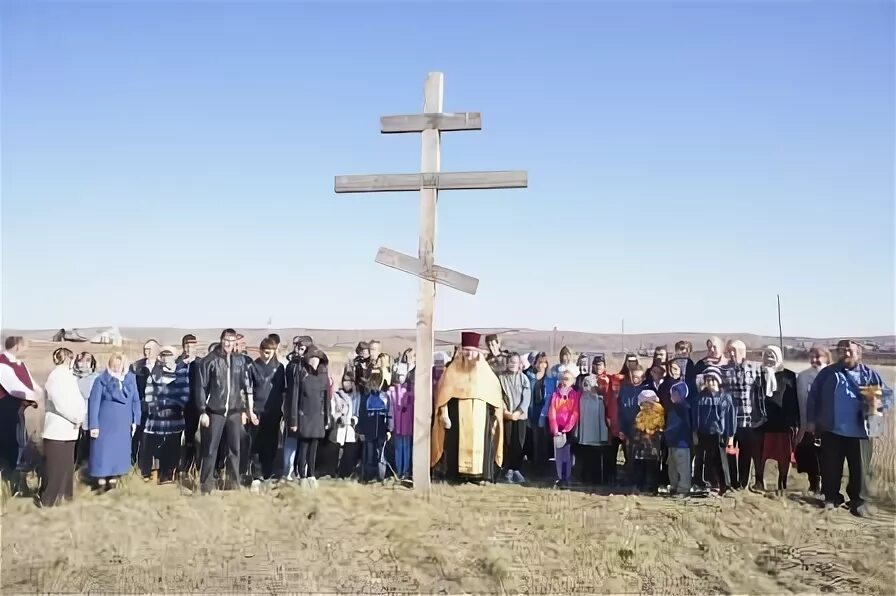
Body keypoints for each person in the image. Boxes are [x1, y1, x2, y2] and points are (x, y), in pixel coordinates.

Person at [807, 340, 892, 516]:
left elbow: (889, 395)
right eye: (842, 351)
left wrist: (878, 402)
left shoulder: (870, 375)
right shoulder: (828, 374)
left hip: (861, 432)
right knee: (830, 467)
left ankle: (858, 501)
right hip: (831, 430)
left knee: (860, 471)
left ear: (859, 354)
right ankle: (831, 498)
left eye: (849, 351)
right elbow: (813, 397)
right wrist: (811, 421)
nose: (845, 354)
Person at [431, 332, 505, 483]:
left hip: (481, 414)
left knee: (482, 443)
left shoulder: (485, 370)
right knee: (455, 443)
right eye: (466, 350)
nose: (469, 354)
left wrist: (495, 413)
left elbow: (494, 392)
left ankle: (480, 475)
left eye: (473, 351)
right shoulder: (452, 369)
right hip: (457, 414)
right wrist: (444, 413)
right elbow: (443, 392)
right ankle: (457, 475)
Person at [197, 329, 251, 494]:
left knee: (235, 449)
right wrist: (202, 411)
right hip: (215, 411)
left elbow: (245, 386)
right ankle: (206, 485)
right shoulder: (209, 361)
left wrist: (245, 410)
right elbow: (201, 387)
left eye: (232, 340)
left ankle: (233, 483)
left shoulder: (240, 361)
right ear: (221, 340)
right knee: (211, 448)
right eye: (226, 340)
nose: (229, 343)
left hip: (235, 411)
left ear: (236, 342)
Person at [88, 353, 141, 492]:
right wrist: (93, 425)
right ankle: (100, 483)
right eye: (115, 365)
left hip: (123, 425)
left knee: (118, 452)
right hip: (105, 425)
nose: (118, 368)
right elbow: (93, 404)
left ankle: (113, 481)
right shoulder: (100, 380)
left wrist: (136, 420)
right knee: (103, 452)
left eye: (120, 365)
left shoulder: (130, 380)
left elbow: (136, 400)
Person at [752, 345, 799, 493]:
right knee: (760, 455)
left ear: (778, 357)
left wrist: (795, 422)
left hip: (782, 422)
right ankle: (759, 481)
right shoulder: (757, 374)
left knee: (783, 457)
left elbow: (793, 400)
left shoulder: (788, 375)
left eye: (772, 355)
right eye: (766, 355)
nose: (769, 358)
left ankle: (782, 483)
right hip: (761, 422)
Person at [41, 348, 84, 507]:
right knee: (55, 468)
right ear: (67, 359)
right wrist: (75, 417)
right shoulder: (55, 377)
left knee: (66, 466)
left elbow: (77, 399)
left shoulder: (70, 376)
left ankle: (65, 497)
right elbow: (60, 403)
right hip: (57, 429)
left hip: (71, 429)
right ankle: (48, 501)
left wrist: (80, 416)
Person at [140, 346, 187, 484]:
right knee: (152, 446)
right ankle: (150, 474)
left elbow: (184, 393)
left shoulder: (180, 372)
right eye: (164, 355)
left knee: (172, 446)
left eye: (169, 355)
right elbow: (149, 392)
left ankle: (168, 474)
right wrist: (154, 406)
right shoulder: (154, 372)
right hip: (157, 418)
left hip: (174, 416)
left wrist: (175, 404)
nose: (166, 358)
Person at [0, 336, 41, 492]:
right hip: (5, 411)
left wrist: (41, 393)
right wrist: (33, 396)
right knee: (8, 444)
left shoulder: (20, 364)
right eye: (23, 346)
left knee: (19, 442)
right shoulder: (2, 364)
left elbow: (32, 384)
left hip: (18, 410)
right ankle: (8, 482)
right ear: (16, 346)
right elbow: (14, 388)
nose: (25, 349)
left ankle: (16, 479)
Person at [285, 346, 330, 487]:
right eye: (312, 358)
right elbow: (294, 397)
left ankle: (311, 474)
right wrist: (293, 420)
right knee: (303, 446)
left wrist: (327, 418)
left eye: (317, 359)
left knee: (314, 447)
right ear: (308, 359)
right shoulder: (301, 374)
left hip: (318, 416)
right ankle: (302, 475)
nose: (315, 361)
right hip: (304, 415)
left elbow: (326, 398)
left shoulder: (324, 376)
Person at [721, 339, 761, 489]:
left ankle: (743, 484)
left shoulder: (755, 368)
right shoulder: (723, 370)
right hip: (729, 419)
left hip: (748, 419)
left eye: (735, 350)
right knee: (729, 452)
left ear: (743, 352)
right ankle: (731, 481)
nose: (732, 353)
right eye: (729, 350)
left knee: (746, 453)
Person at [692, 366, 736, 497]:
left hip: (719, 434)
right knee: (701, 459)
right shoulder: (699, 398)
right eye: (707, 380)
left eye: (713, 379)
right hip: (702, 433)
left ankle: (724, 485)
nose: (710, 382)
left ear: (718, 380)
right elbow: (695, 416)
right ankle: (700, 483)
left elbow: (730, 417)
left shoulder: (725, 398)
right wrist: (694, 432)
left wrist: (731, 435)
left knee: (719, 461)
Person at [247, 338, 285, 482]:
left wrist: (283, 410)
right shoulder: (253, 366)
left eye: (270, 353)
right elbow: (248, 390)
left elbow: (283, 391)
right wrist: (250, 411)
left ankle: (268, 472)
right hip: (257, 410)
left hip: (274, 410)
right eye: (264, 352)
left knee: (272, 442)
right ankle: (256, 474)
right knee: (257, 443)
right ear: (260, 350)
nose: (267, 355)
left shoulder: (279, 368)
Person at [795, 346, 831, 494]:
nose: (814, 360)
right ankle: (813, 483)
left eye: (818, 357)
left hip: (827, 425)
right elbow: (799, 400)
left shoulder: (832, 375)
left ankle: (827, 486)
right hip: (807, 424)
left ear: (826, 358)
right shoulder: (802, 376)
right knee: (809, 454)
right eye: (812, 357)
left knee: (826, 457)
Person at [499, 353, 531, 484]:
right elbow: (499, 395)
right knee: (508, 442)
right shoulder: (501, 378)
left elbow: (526, 397)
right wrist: (506, 412)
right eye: (510, 362)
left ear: (520, 364)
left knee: (519, 443)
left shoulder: (524, 379)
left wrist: (518, 412)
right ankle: (508, 471)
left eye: (515, 362)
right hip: (507, 416)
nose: (512, 364)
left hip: (521, 416)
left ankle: (517, 469)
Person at [576, 374, 612, 485]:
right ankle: (584, 478)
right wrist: (578, 432)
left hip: (596, 436)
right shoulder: (581, 399)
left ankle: (596, 479)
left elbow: (602, 419)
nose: (587, 387)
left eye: (589, 384)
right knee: (585, 458)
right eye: (585, 385)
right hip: (584, 436)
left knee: (596, 458)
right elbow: (579, 418)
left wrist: (603, 435)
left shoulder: (599, 400)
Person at [360, 364, 392, 482]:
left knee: (381, 455)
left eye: (377, 380)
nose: (375, 383)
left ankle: (380, 477)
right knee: (369, 455)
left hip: (382, 432)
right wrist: (361, 431)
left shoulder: (385, 397)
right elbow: (362, 415)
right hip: (369, 431)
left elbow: (389, 413)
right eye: (373, 380)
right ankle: (367, 477)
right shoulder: (366, 398)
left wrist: (389, 429)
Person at [548, 370, 579, 488]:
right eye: (563, 379)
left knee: (568, 455)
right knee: (559, 455)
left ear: (572, 381)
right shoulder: (555, 395)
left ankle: (567, 476)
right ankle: (560, 476)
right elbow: (552, 412)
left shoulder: (574, 395)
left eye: (568, 379)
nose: (565, 381)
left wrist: (567, 428)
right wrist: (555, 428)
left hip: (569, 430)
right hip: (557, 430)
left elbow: (575, 412)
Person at [131, 339, 160, 465]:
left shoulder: (163, 366)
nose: (146, 352)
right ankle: (133, 462)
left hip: (157, 407)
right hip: (140, 405)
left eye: (149, 349)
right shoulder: (136, 366)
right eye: (145, 349)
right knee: (138, 435)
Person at [175, 335, 202, 477]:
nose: (190, 348)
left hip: (194, 405)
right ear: (183, 346)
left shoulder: (200, 363)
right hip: (179, 405)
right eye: (187, 345)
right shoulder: (177, 363)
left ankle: (190, 466)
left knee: (192, 437)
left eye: (193, 345)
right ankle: (175, 466)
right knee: (177, 436)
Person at [631, 389, 664, 494]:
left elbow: (659, 426)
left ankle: (652, 487)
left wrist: (648, 430)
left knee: (652, 467)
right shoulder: (639, 412)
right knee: (640, 466)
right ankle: (639, 485)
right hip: (640, 445)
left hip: (652, 444)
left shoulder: (658, 412)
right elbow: (636, 426)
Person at [616, 365, 645, 482]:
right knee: (628, 452)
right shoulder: (625, 389)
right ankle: (629, 475)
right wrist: (621, 428)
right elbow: (620, 409)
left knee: (639, 454)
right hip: (627, 426)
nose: (635, 379)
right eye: (633, 376)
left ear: (643, 377)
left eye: (638, 377)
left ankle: (638, 477)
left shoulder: (645, 391)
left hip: (640, 428)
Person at [525, 352, 553, 475]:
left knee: (545, 438)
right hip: (532, 410)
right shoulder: (529, 377)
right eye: (539, 362)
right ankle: (536, 465)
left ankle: (544, 464)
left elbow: (550, 396)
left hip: (545, 411)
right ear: (535, 363)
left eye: (544, 362)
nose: (542, 365)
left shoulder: (549, 379)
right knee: (535, 438)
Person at [664, 380, 692, 497]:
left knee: (682, 467)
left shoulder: (684, 408)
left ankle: (684, 488)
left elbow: (686, 425)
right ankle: (674, 486)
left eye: (676, 393)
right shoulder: (672, 408)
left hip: (682, 443)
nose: (673, 396)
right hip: (672, 442)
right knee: (672, 467)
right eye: (672, 393)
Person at [332, 371, 362, 478]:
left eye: (349, 381)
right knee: (338, 451)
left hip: (351, 429)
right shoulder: (338, 395)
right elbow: (334, 410)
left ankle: (347, 473)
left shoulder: (357, 396)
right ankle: (336, 471)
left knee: (349, 453)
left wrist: (352, 420)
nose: (346, 383)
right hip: (339, 428)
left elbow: (357, 413)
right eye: (344, 381)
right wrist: (339, 417)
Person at [72, 351, 99, 469]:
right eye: (81, 361)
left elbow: (88, 393)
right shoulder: (71, 377)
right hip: (73, 417)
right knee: (75, 446)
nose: (84, 364)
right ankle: (74, 469)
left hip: (90, 418)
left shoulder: (96, 378)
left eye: (88, 361)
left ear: (92, 364)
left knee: (88, 446)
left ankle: (86, 470)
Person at [387, 363, 413, 480]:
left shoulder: (411, 390)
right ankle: (398, 470)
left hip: (407, 425)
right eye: (399, 375)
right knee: (398, 447)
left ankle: (406, 470)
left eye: (403, 375)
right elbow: (391, 408)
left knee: (406, 447)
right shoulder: (392, 391)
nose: (400, 377)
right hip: (397, 424)